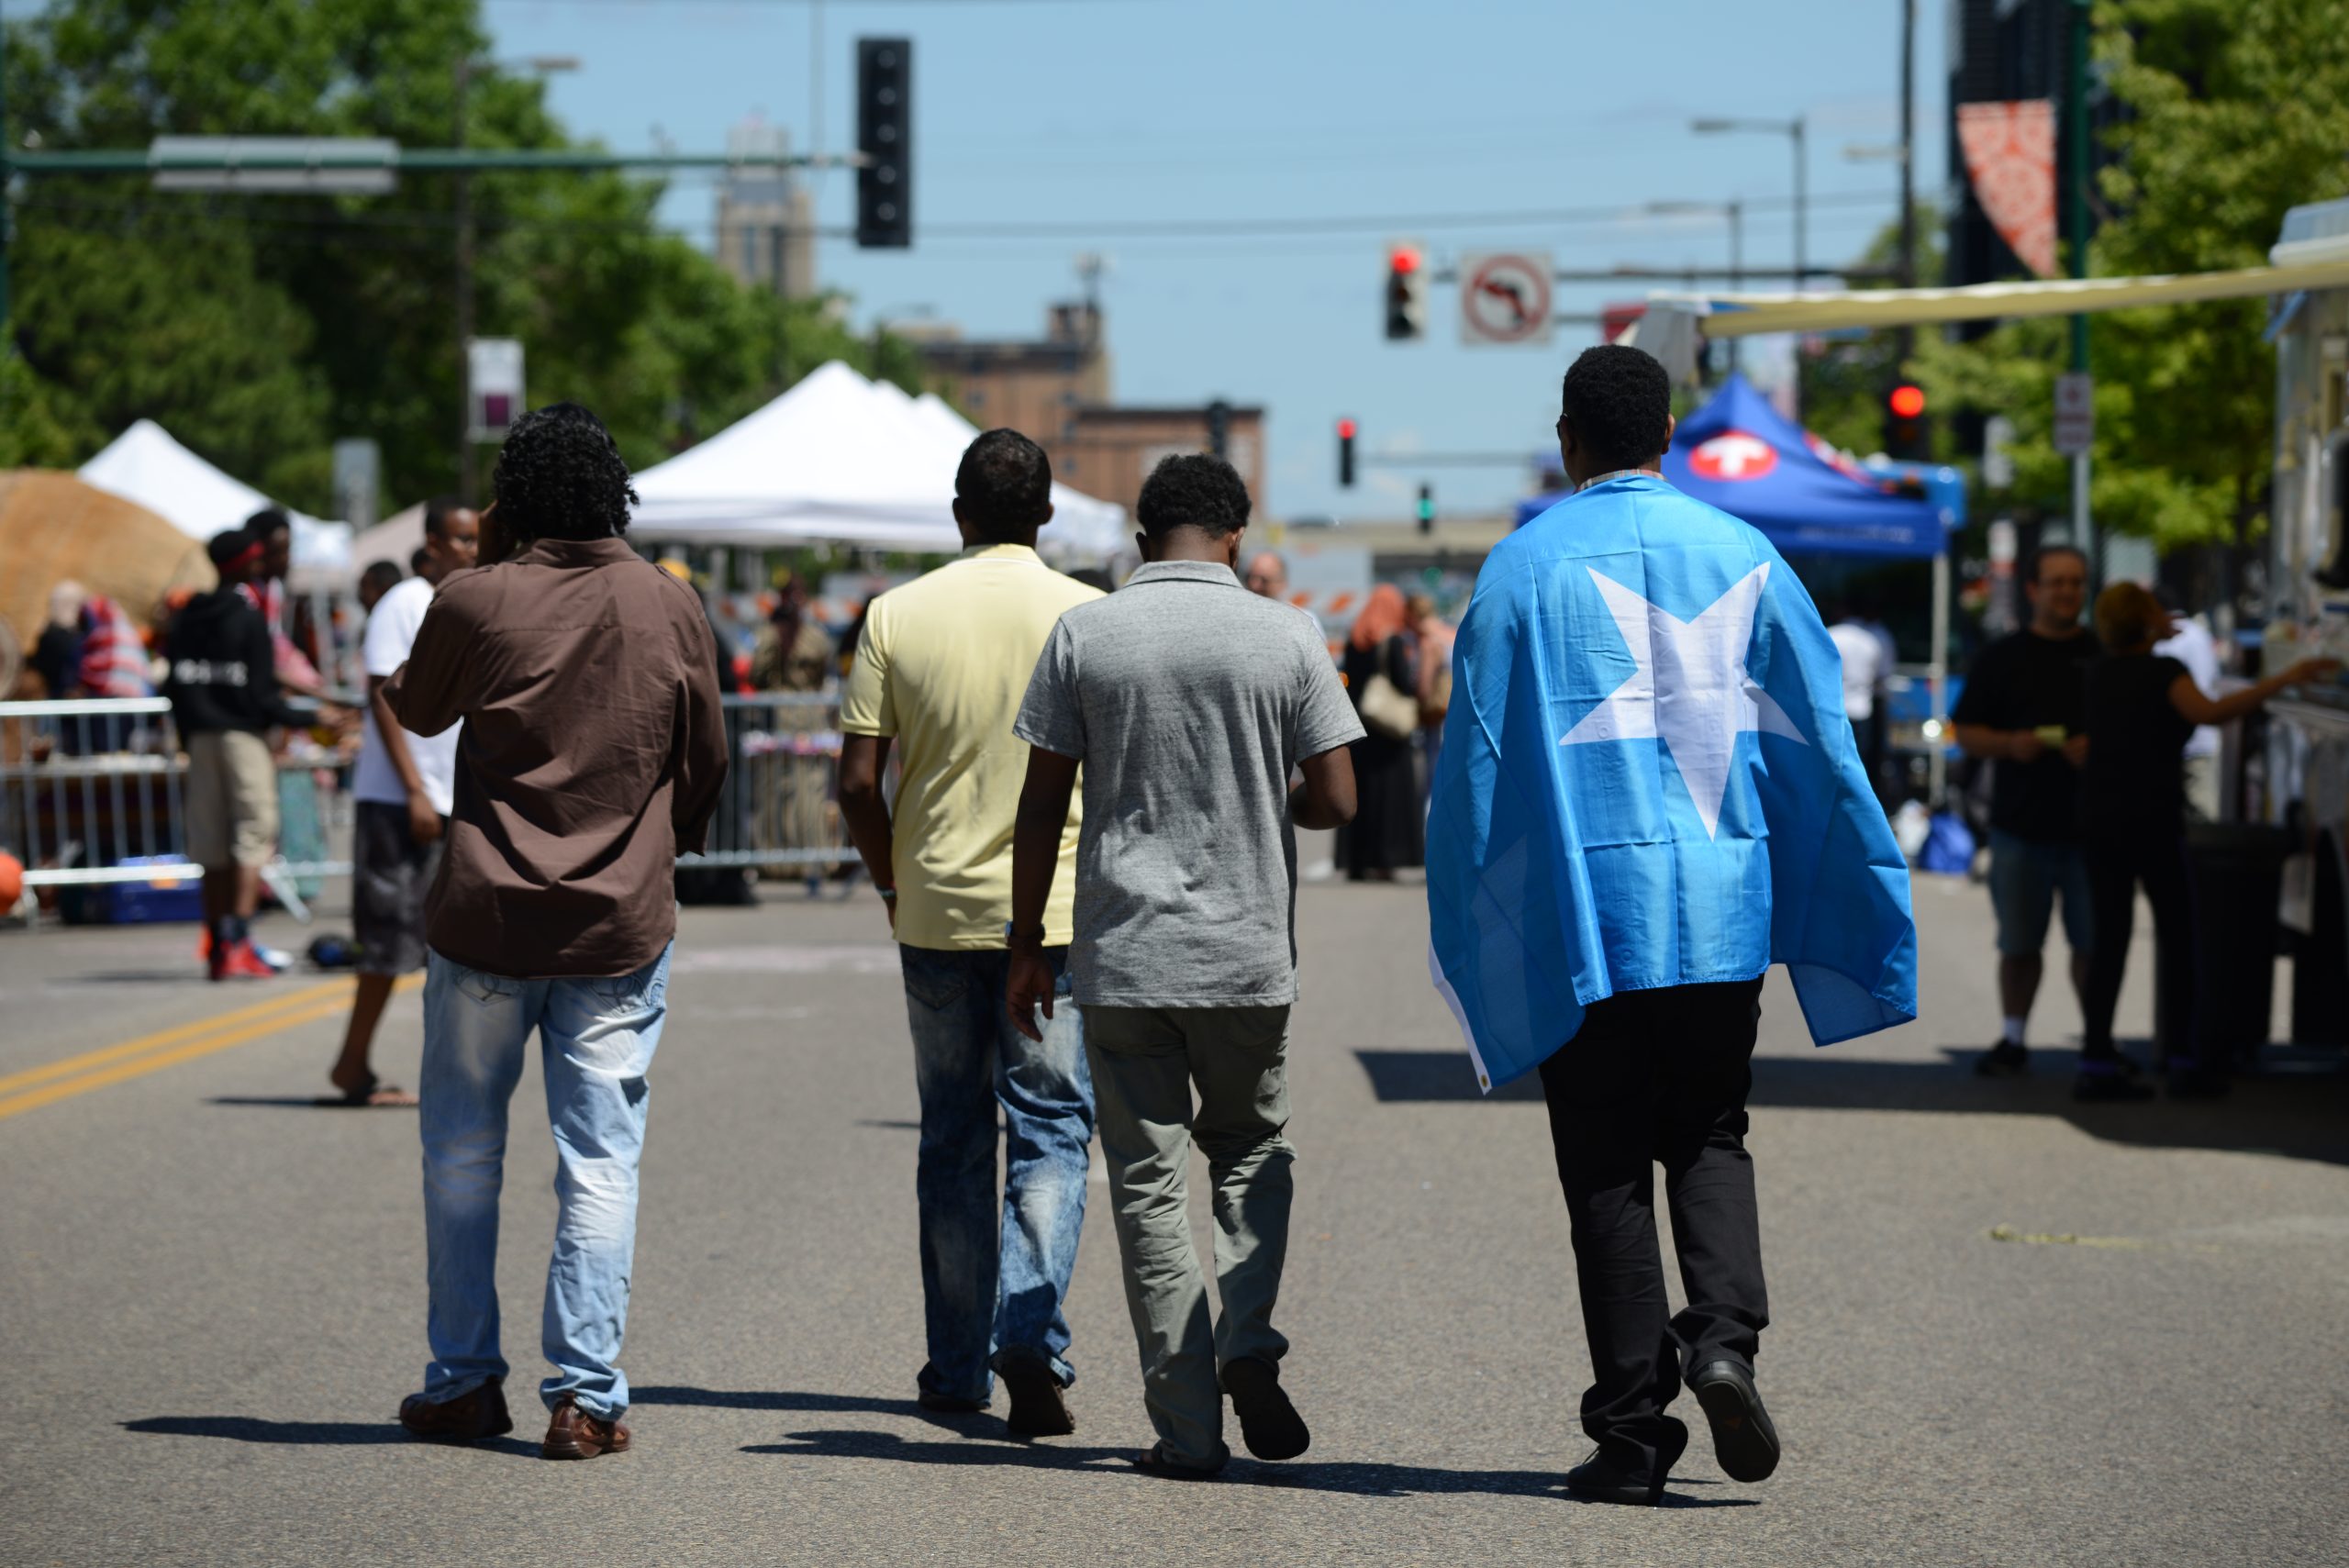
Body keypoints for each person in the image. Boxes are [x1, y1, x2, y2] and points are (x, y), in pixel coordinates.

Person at [1425, 345, 1915, 1506]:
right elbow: (1818, 742)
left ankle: (1632, 1435)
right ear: (1670, 432)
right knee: (1707, 1130)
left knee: (1602, 1162)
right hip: (1719, 908)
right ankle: (1726, 1337)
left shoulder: (1519, 569)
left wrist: (1477, 905)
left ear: (1566, 438)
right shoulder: (1746, 552)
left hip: (1591, 913)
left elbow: (1475, 765)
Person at [1005, 451, 1361, 1478]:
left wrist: (1028, 941)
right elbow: (1336, 798)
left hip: (1123, 957)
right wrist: (1268, 799)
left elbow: (1040, 803)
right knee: (1250, 1151)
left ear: (1140, 534)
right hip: (1247, 953)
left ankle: (1188, 1427)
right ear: (1236, 536)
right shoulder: (1286, 631)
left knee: (1149, 1186)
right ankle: (1248, 1340)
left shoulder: (1087, 630)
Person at [386, 404, 727, 1461]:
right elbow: (707, 756)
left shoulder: (475, 596)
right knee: (599, 1163)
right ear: (616, 494)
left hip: (485, 918)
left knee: (460, 1155)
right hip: (617, 926)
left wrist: (485, 569)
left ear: (510, 501)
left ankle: (461, 1381)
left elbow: (415, 707)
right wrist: (660, 850)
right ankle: (584, 1396)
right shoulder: (669, 604)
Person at [836, 428, 1104, 1437]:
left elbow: (858, 781)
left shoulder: (895, 613)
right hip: (1061, 915)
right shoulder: (1087, 613)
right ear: (1043, 517)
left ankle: (954, 1367)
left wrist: (892, 881)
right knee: (1049, 1129)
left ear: (958, 514)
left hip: (937, 907)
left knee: (952, 1137)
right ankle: (1028, 1329)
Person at [2079, 584, 2335, 1098]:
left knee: (2109, 938)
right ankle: (2182, 1058)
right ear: (2145, 619)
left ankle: (2097, 1060)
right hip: (2152, 817)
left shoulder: (2095, 674)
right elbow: (2208, 713)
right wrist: (2283, 679)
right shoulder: (2163, 673)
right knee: (2179, 936)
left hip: (2100, 817)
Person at [326, 499, 479, 1108]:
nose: (471, 550)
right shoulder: (406, 601)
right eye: (462, 540)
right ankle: (351, 1062)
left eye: (477, 539)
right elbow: (383, 697)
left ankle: (443, 1067)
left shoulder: (456, 604)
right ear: (434, 543)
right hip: (400, 798)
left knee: (444, 941)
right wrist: (415, 788)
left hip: (444, 795)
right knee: (389, 940)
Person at [1952, 545, 2099, 1084]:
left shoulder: (2103, 655)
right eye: (2057, 582)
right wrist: (2012, 744)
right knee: (2019, 945)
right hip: (2020, 826)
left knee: (2093, 946)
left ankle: (2097, 1043)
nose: (2067, 592)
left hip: (2092, 830)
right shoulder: (2003, 656)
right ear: (2034, 589)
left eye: (2076, 583)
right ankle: (2013, 1039)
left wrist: (2099, 748)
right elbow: (1964, 731)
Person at [163, 529, 310, 980]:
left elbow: (174, 682)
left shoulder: (187, 615)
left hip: (200, 738)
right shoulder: (248, 618)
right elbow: (262, 695)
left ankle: (215, 945)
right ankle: (238, 942)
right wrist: (309, 718)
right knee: (251, 837)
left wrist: (189, 734)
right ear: (247, 564)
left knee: (211, 844)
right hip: (243, 738)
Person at [1338, 585, 1422, 881]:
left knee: (1360, 795)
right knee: (1389, 798)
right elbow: (1403, 682)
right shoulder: (1393, 640)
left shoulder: (1355, 638)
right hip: (1387, 733)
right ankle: (1386, 860)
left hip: (1359, 731)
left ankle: (1356, 862)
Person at [2152, 586, 2226, 819]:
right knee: (2202, 813)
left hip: (2185, 741)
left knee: (2195, 814)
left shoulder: (2168, 641)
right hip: (2202, 740)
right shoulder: (2199, 633)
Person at [239, 507, 325, 696]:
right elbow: (256, 662)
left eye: (288, 549)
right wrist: (316, 694)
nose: (286, 559)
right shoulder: (243, 595)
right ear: (257, 553)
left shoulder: (273, 589)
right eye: (277, 552)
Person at [1827, 601, 1888, 799]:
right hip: (1862, 710)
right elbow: (1881, 676)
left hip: (1833, 710)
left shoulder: (1830, 634)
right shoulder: (1871, 641)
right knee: (1859, 767)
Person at [1406, 590, 1455, 804]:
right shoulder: (1452, 633)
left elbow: (1424, 688)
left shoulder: (1428, 642)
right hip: (1458, 712)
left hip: (1437, 716)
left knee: (1434, 777)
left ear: (1412, 616)